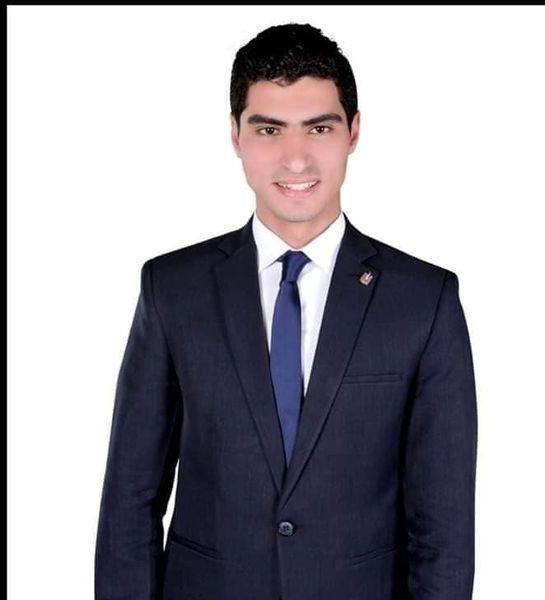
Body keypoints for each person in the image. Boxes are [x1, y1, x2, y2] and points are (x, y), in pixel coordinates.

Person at [94, 22, 478, 600]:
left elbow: (443, 530)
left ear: (353, 131)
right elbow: (130, 501)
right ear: (235, 135)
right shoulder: (172, 290)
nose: (295, 159)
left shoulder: (424, 301)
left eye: (319, 128)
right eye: (269, 129)